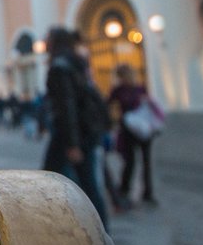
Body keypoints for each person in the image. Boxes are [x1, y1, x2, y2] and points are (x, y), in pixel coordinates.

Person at [41, 26, 110, 231]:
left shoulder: (59, 67)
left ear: (54, 41)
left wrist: (72, 143)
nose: (44, 43)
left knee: (50, 180)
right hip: (85, 132)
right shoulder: (76, 63)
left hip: (69, 135)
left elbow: (66, 106)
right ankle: (97, 228)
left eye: (47, 39)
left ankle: (54, 225)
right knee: (86, 182)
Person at [107, 63, 164, 207]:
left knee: (144, 162)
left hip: (142, 129)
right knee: (131, 162)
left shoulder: (135, 89)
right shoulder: (124, 89)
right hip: (129, 130)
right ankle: (125, 190)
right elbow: (108, 105)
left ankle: (146, 192)